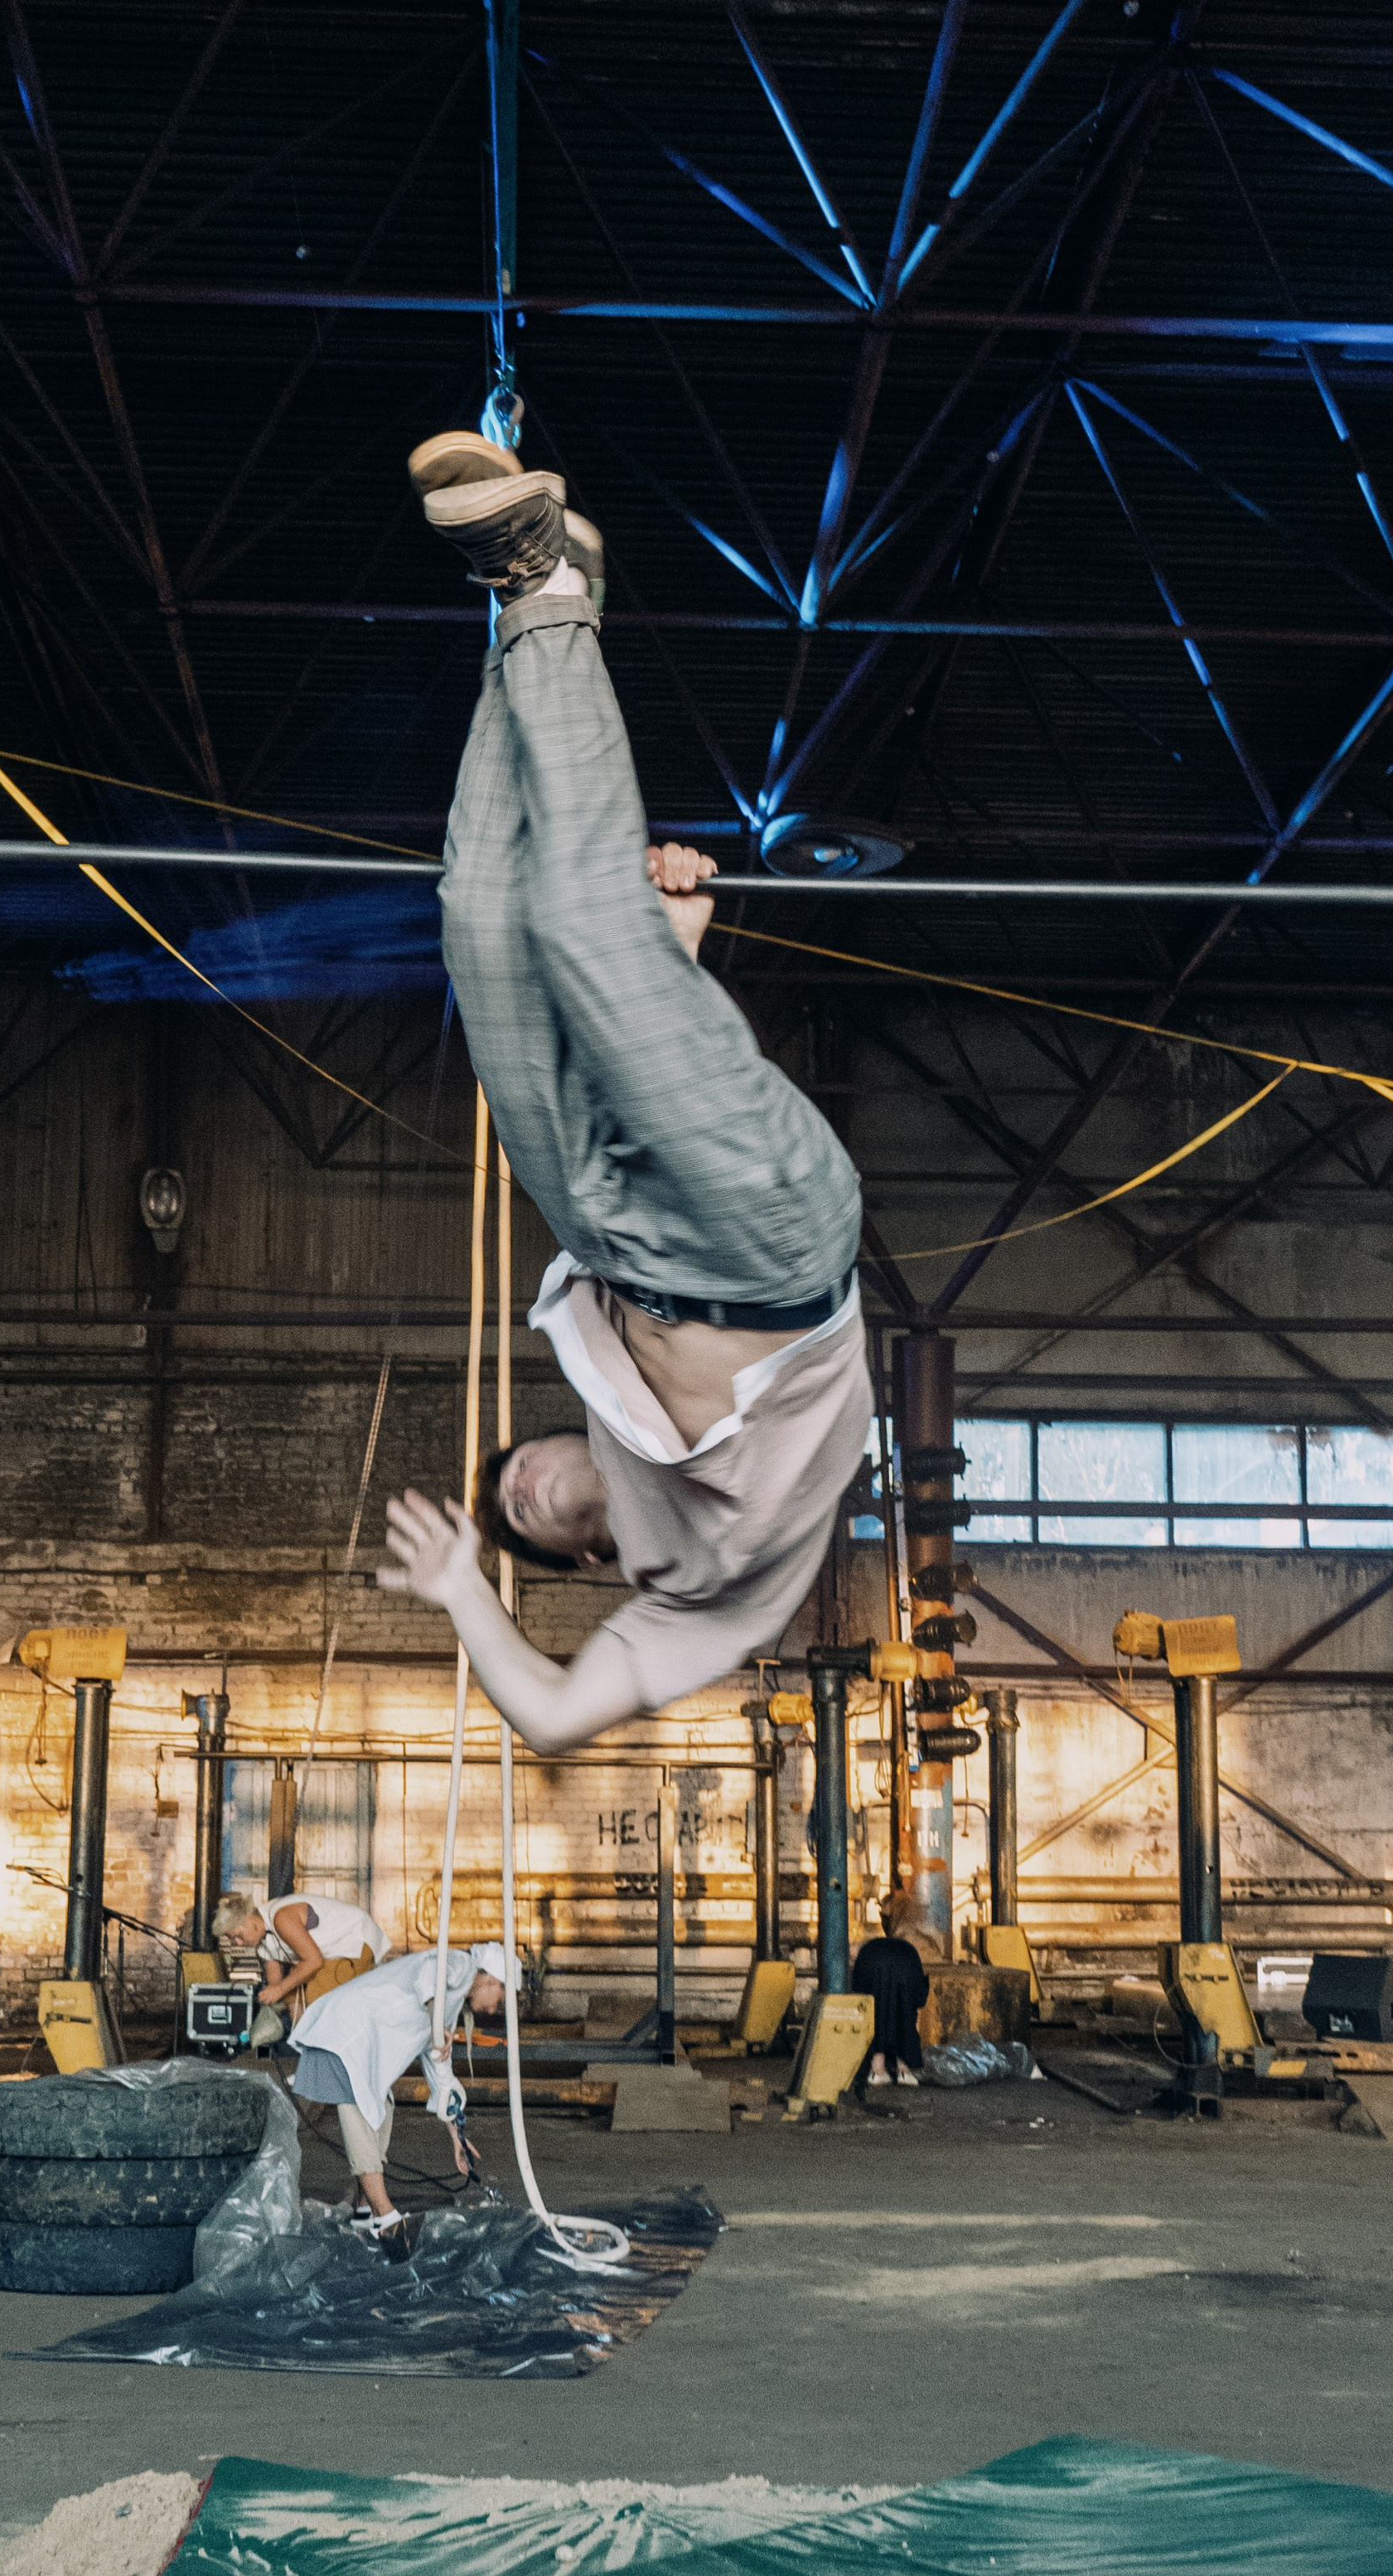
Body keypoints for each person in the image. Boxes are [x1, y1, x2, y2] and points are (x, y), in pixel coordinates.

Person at [376, 430, 873, 1750]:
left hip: (615, 1232)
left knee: (486, 925)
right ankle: (541, 585)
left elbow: (645, 1051)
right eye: (528, 1513)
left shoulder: (598, 1372)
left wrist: (679, 964)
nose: (525, 1481)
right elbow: (545, 1714)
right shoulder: (691, 1603)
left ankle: (534, 607)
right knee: (588, 929)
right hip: (772, 1249)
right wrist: (466, 1600)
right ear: (583, 1560)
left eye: (510, 1475)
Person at [289, 1942, 520, 2247]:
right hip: (345, 2033)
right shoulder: (460, 1965)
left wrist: (456, 2135)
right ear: (492, 1979)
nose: (494, 2008)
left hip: (358, 2045)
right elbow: (428, 1975)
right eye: (500, 1998)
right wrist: (436, 2022)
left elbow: (441, 2072)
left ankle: (365, 2208)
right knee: (358, 2112)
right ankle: (386, 2218)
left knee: (381, 2109)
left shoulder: (451, 2005)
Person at [210, 1887, 390, 2046]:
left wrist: (280, 1990)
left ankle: (343, 2061)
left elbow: (314, 1961)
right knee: (298, 2000)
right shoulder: (263, 1946)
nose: (239, 1944)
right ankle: (313, 2063)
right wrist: (293, 2019)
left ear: (251, 1921)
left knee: (317, 1998)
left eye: (238, 1936)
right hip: (331, 1954)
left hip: (355, 1941)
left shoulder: (282, 1918)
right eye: (233, 1940)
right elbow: (280, 1988)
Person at [854, 1896, 930, 2088]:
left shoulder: (869, 1949)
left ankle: (876, 2070)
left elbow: (857, 1989)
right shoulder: (910, 1951)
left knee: (873, 2016)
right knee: (906, 2015)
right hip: (906, 1968)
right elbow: (918, 1999)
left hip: (871, 1964)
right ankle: (904, 2071)